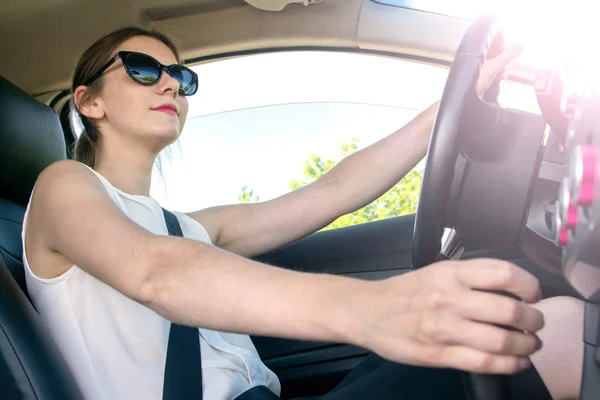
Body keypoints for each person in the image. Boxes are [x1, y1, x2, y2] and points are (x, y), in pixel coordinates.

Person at [22, 26, 584, 400]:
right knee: (555, 335)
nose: (171, 82)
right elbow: (155, 273)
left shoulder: (191, 227)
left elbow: (334, 190)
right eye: (144, 68)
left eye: (183, 77)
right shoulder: (61, 185)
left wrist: (457, 102)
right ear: (88, 102)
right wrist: (370, 308)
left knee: (527, 314)